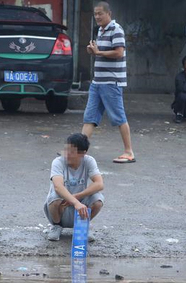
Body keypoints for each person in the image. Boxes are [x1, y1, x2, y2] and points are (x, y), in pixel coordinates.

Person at [82, 1, 135, 164]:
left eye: (100, 13)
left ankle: (129, 152)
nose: (97, 16)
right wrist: (93, 51)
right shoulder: (101, 30)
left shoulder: (116, 29)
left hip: (111, 82)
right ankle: (78, 149)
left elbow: (119, 53)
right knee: (89, 117)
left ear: (108, 14)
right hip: (97, 81)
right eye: (95, 14)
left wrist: (99, 52)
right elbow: (102, 53)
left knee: (119, 117)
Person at [45, 133, 104, 241]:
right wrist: (75, 202)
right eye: (66, 149)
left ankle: (83, 226)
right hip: (60, 208)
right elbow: (58, 186)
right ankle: (56, 226)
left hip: (80, 209)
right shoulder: (58, 162)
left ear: (83, 153)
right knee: (55, 195)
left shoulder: (89, 161)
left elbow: (99, 184)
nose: (66, 154)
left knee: (98, 199)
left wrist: (77, 197)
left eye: (71, 152)